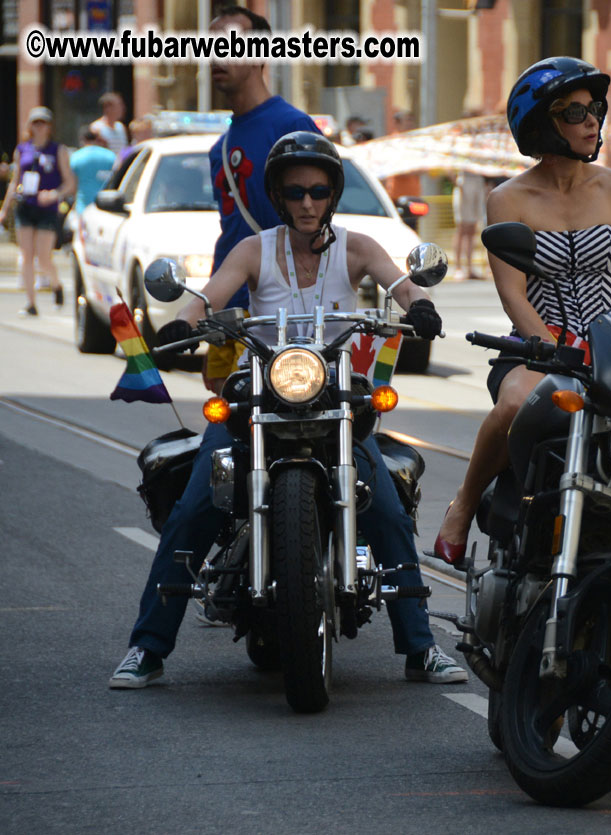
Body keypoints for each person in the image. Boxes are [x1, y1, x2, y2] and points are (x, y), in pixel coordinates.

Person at [109, 131, 464, 689]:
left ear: (333, 194)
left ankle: (421, 648)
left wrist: (421, 307)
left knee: (388, 510)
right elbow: (211, 293)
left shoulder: (357, 247)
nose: (306, 202)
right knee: (196, 507)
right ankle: (147, 649)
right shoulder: (254, 249)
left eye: (318, 191)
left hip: (336, 399)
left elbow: (401, 284)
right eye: (295, 191)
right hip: (258, 396)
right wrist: (186, 317)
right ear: (279, 194)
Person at [431, 57, 611, 568]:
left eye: (596, 109)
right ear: (542, 123)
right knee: (517, 405)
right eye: (576, 111)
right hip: (538, 344)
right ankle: (464, 503)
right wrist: (552, 347)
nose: (593, 122)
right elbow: (512, 291)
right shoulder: (507, 198)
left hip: (610, 349)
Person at [205, 5, 320, 395]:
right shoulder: (219, 147)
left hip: (279, 316)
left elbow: (317, 221)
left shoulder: (291, 127)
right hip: (228, 312)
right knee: (226, 425)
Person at [0, 107, 72, 316]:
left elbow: (69, 183)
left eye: (43, 123)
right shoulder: (22, 149)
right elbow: (15, 182)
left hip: (47, 208)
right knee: (26, 255)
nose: (39, 127)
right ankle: (31, 303)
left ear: (50, 127)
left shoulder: (58, 150)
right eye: (35, 123)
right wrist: (4, 209)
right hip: (25, 206)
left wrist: (54, 194)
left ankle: (56, 285)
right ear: (30, 126)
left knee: (43, 256)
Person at [68, 126, 116, 215]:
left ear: (82, 139)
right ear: (97, 139)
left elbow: (72, 185)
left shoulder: (75, 157)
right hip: (106, 209)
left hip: (83, 208)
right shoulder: (111, 156)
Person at [452, 168, 487, 281]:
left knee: (472, 228)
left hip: (478, 180)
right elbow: (448, 166)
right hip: (465, 181)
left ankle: (469, 268)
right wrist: (457, 182)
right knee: (462, 228)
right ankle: (458, 268)